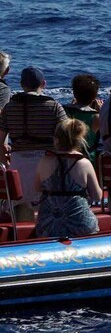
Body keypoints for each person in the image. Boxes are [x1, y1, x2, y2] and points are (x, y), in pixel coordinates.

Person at [0, 67, 68, 220]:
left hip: (18, 162)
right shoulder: (54, 107)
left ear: (22, 84)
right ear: (43, 83)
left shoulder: (9, 108)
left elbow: (0, 140)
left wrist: (5, 162)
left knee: (20, 207)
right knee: (47, 206)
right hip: (45, 162)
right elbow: (66, 137)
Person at [34, 119, 102, 238]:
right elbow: (97, 196)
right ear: (80, 139)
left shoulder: (45, 161)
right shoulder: (84, 163)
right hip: (80, 224)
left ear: (56, 139)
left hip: (47, 225)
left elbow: (37, 187)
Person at [63, 74, 103, 165]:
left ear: (74, 93)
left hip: (66, 157)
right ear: (94, 96)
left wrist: (72, 105)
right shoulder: (96, 117)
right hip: (87, 159)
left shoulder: (64, 111)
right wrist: (100, 112)